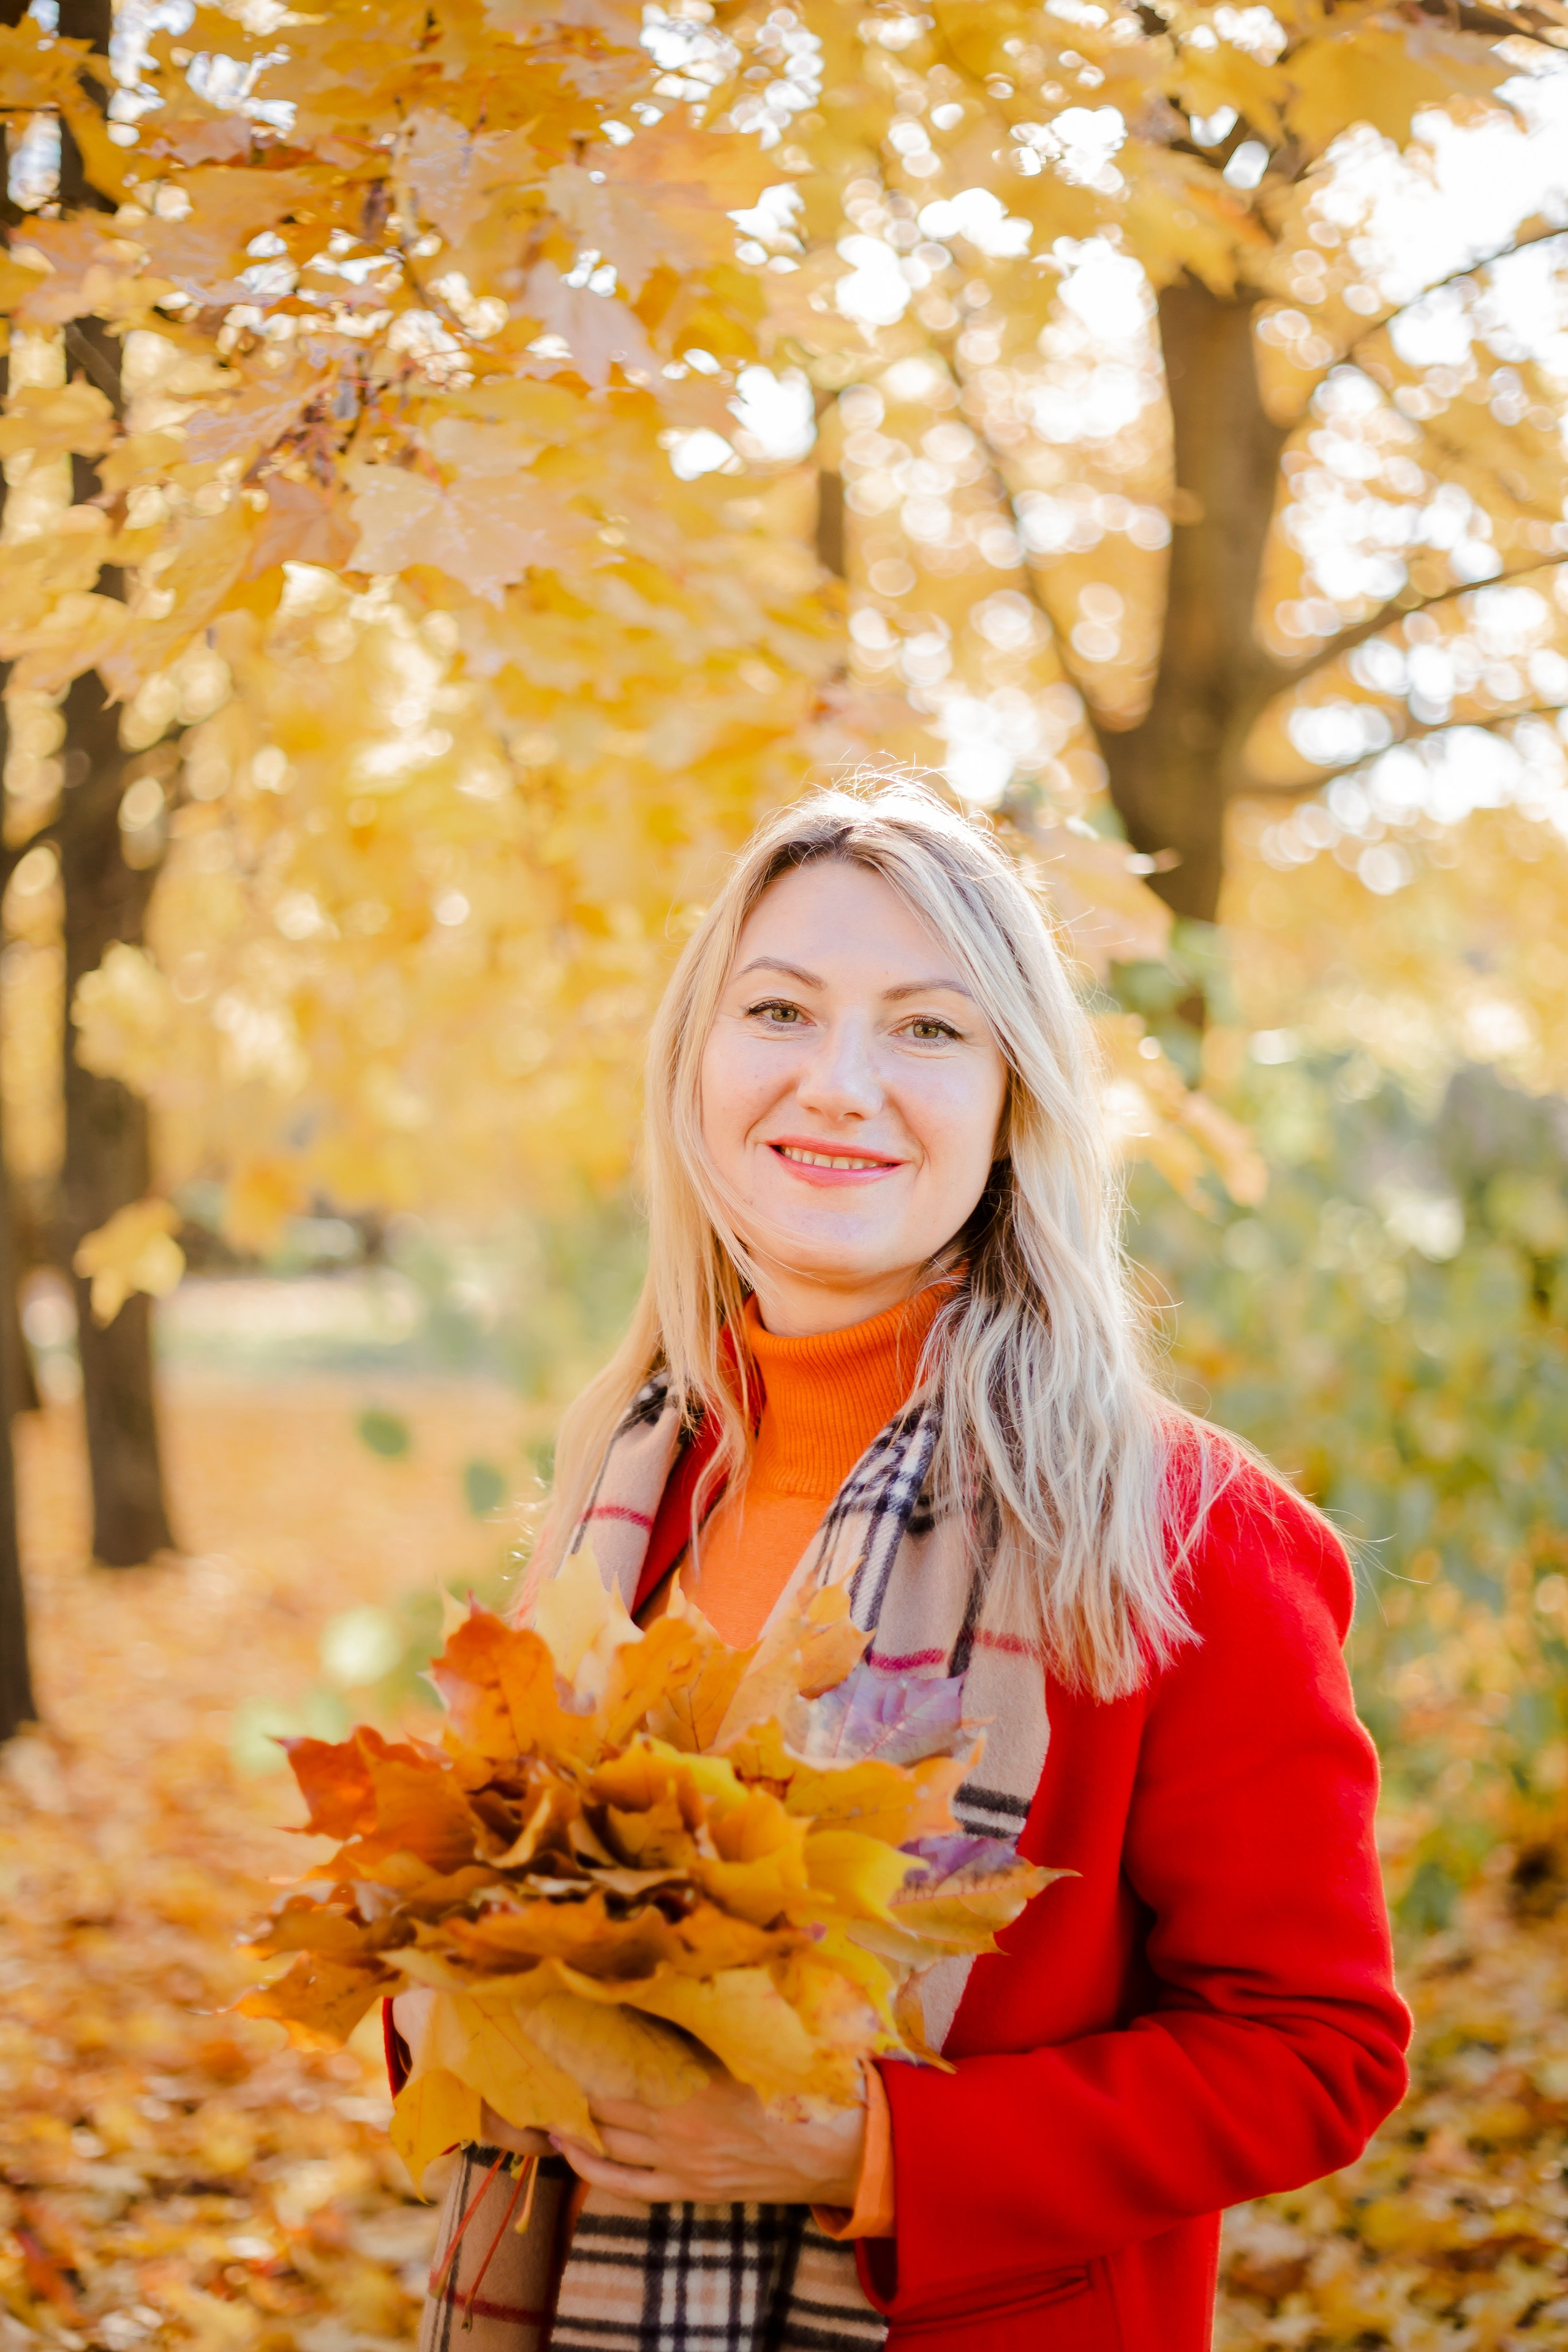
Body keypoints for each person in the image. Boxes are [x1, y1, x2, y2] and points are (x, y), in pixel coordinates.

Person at [397, 778, 1409, 2352]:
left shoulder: (1182, 1531)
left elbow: (1313, 2050)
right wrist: (447, 2008)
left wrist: (871, 2149)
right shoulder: (630, 1480)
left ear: (1015, 1099)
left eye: (928, 1030)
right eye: (780, 1009)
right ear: (696, 1070)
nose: (839, 1084)